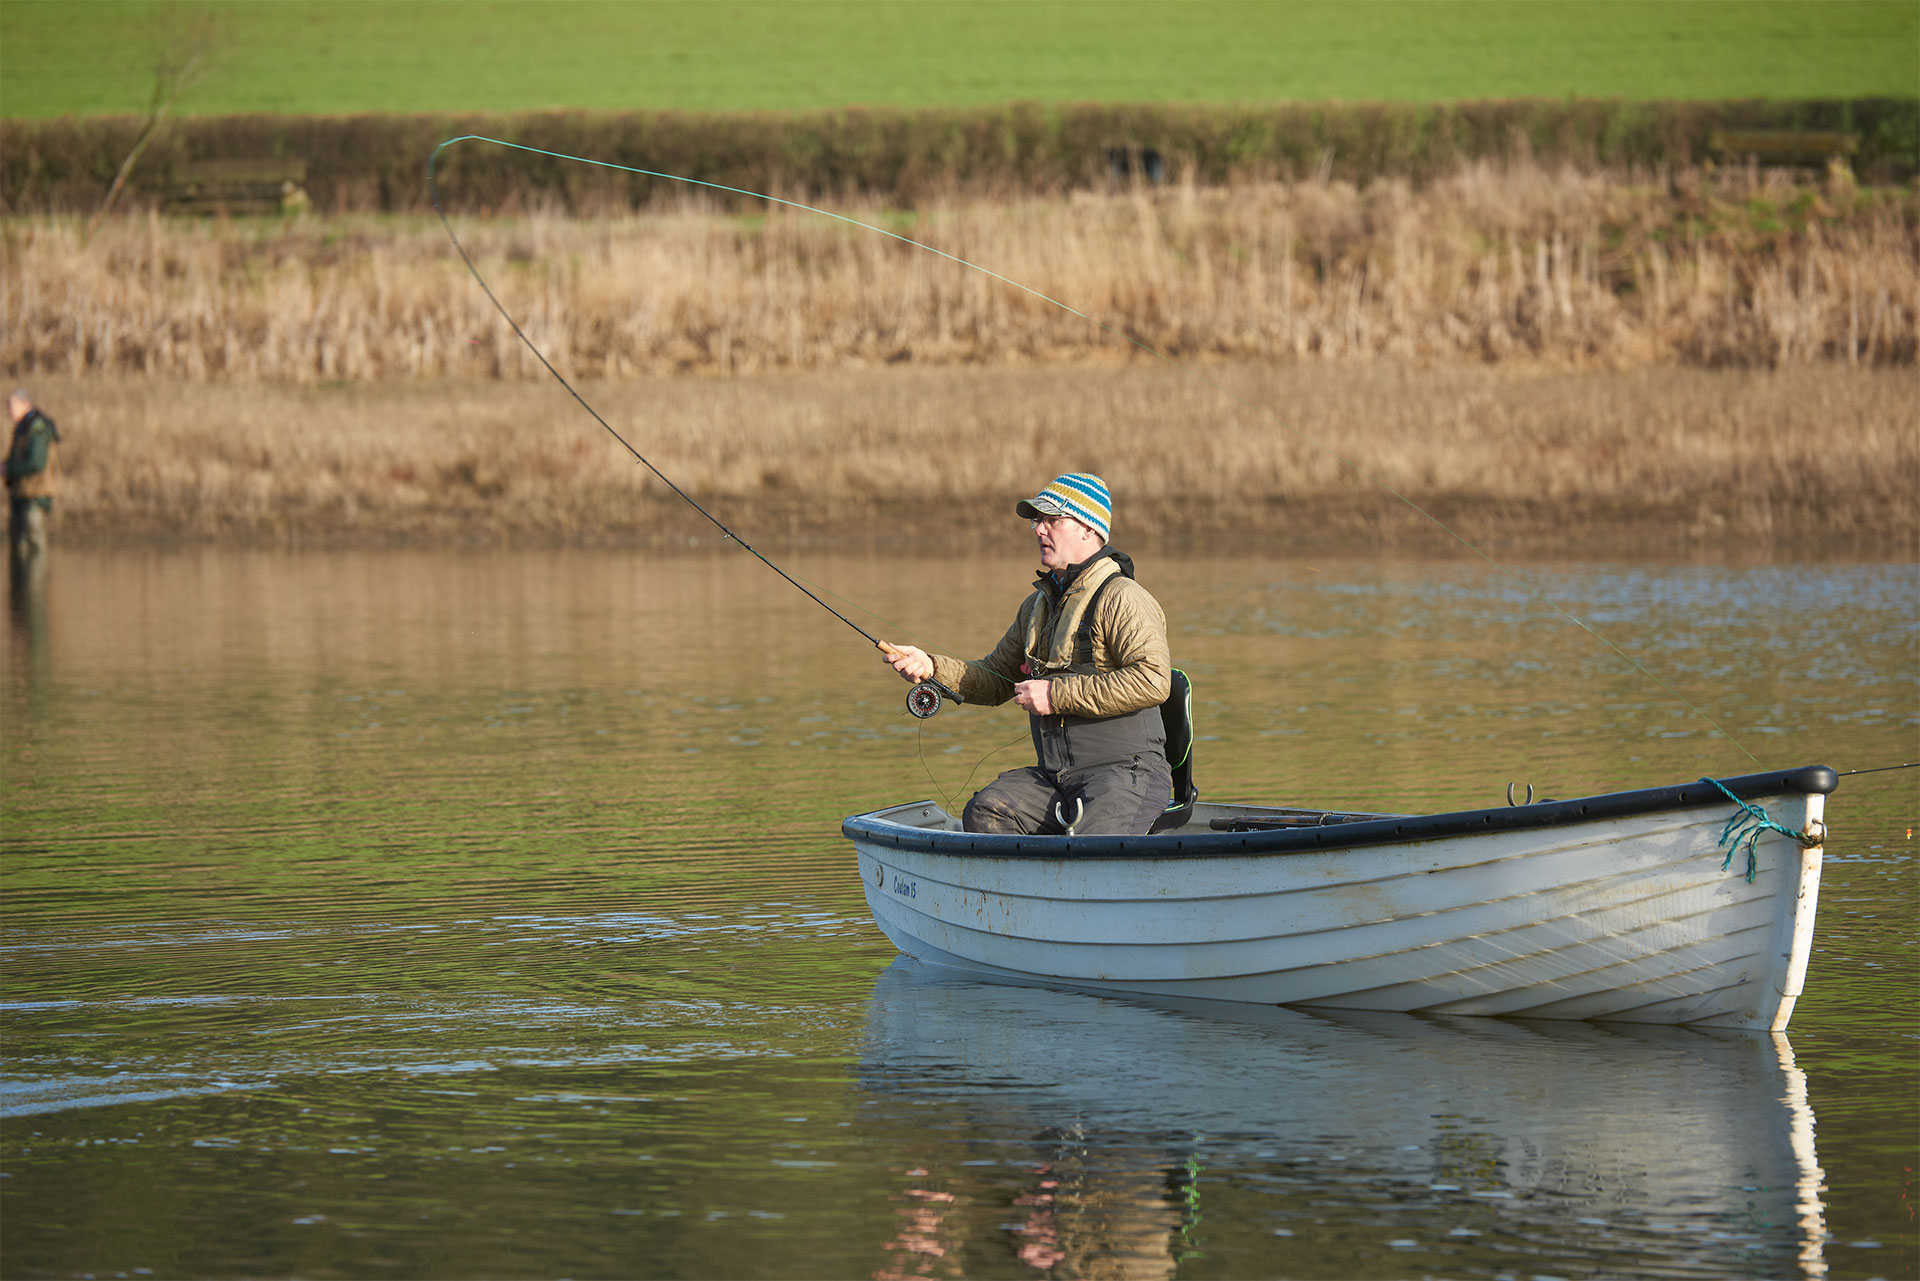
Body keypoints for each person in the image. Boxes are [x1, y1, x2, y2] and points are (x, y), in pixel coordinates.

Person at [882, 472, 1174, 836]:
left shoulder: (1124, 598)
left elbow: (1154, 681)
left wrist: (1056, 694)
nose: (1038, 530)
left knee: (1091, 853)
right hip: (1057, 779)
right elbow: (994, 679)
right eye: (1038, 521)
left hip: (1127, 774)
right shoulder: (1035, 607)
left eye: (1052, 520)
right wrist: (931, 668)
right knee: (987, 811)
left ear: (1088, 529)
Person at [6, 389, 60, 564]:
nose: (8, 410)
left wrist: (8, 469)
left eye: (11, 405)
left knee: (34, 543)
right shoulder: (22, 428)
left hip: (36, 492)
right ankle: (21, 587)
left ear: (25, 404)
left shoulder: (36, 428)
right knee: (19, 543)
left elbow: (36, 462)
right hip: (22, 492)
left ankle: (34, 588)